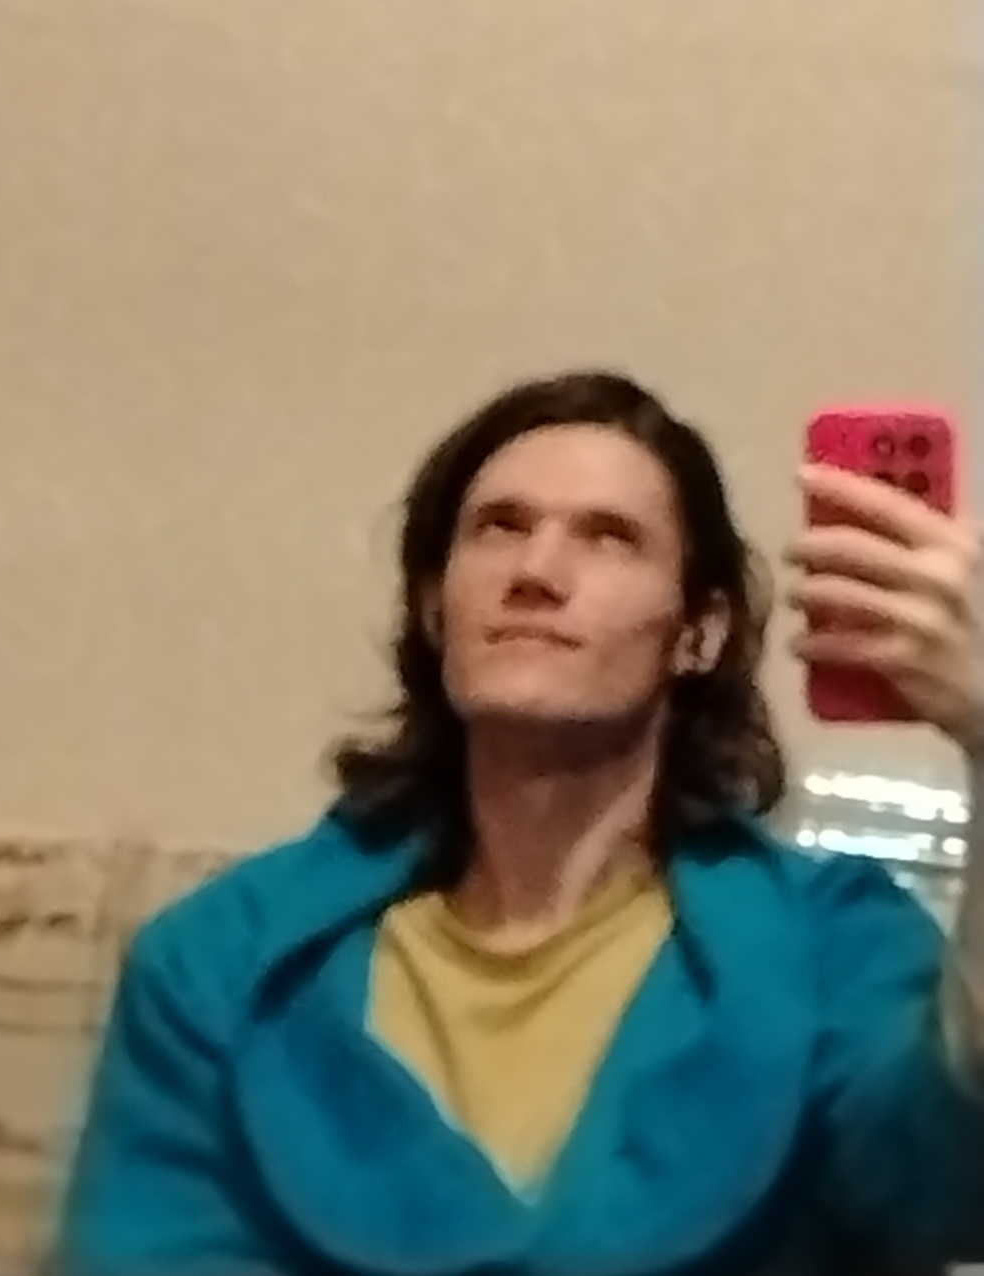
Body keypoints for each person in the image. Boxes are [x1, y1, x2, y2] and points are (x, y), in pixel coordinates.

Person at [56, 371, 984, 1276]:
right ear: (433, 607)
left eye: (609, 538)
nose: (536, 573)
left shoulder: (833, 948)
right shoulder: (216, 964)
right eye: (498, 527)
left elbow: (954, 1184)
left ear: (696, 634)